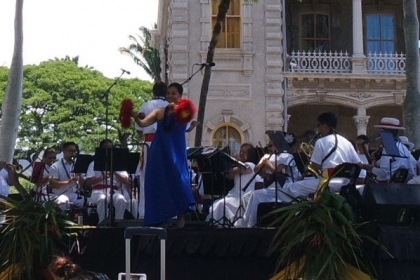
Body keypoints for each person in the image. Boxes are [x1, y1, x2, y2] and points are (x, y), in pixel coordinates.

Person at [131, 82, 196, 228]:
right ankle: (160, 216)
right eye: (168, 93)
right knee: (158, 181)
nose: (170, 96)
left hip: (176, 150)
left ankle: (181, 216)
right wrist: (136, 117)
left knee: (178, 180)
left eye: (174, 93)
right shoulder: (159, 111)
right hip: (159, 150)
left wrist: (179, 112)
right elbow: (142, 124)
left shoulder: (184, 110)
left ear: (180, 95)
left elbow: (186, 120)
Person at [287, 112, 361, 197]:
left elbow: (315, 165)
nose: (318, 128)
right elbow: (358, 164)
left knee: (293, 187)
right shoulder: (347, 142)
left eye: (319, 125)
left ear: (325, 126)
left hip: (329, 182)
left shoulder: (321, 141)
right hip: (346, 182)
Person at [236, 133, 301, 228]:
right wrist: (262, 162)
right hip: (272, 185)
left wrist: (267, 164)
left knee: (256, 195)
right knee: (246, 197)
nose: (269, 148)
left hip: (284, 187)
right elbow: (256, 170)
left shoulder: (286, 156)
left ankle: (252, 224)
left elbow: (278, 172)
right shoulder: (269, 156)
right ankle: (242, 222)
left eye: (271, 145)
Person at [135, 81, 168, 219]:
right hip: (164, 144)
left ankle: (144, 212)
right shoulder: (169, 106)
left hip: (148, 143)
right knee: (165, 176)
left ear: (153, 92)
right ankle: (166, 211)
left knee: (145, 177)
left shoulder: (145, 105)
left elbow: (138, 129)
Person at [206, 143, 258, 226]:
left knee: (222, 204)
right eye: (240, 151)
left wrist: (235, 162)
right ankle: (218, 224)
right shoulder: (239, 165)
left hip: (244, 194)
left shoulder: (251, 165)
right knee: (218, 203)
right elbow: (229, 176)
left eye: (244, 152)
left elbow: (239, 170)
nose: (241, 153)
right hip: (234, 193)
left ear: (249, 154)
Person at [85, 139, 128, 226]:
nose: (108, 150)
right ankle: (102, 223)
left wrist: (114, 171)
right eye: (106, 148)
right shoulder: (93, 163)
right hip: (98, 191)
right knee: (102, 199)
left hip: (114, 191)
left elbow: (125, 180)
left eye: (110, 148)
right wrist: (103, 177)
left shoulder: (118, 163)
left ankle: (119, 224)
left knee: (121, 199)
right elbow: (88, 182)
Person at [359, 117, 416, 183]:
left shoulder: (388, 149)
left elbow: (383, 173)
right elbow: (411, 172)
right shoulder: (404, 148)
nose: (379, 134)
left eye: (381, 131)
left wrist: (368, 167)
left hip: (384, 187)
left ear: (386, 133)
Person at [49, 142, 84, 209]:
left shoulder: (77, 165)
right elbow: (53, 184)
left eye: (74, 151)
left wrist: (80, 176)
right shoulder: (55, 166)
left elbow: (83, 184)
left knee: (89, 202)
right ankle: (64, 219)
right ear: (64, 151)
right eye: (70, 151)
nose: (73, 153)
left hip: (74, 194)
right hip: (59, 194)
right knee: (63, 201)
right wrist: (68, 182)